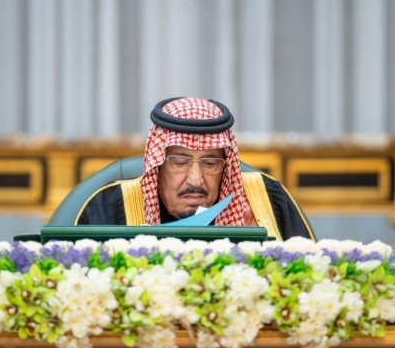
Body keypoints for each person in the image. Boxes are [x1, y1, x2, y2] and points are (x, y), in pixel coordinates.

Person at [77, 97, 314, 241]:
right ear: (157, 165)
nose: (196, 179)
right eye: (180, 162)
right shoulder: (109, 208)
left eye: (210, 163)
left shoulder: (268, 199)